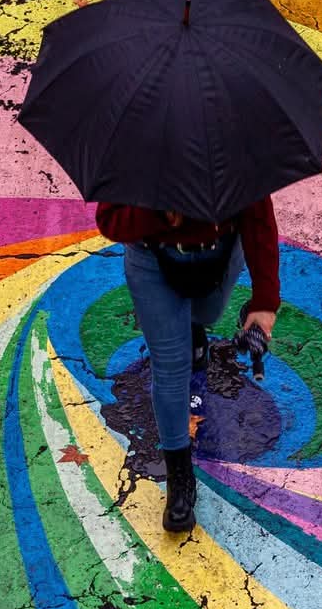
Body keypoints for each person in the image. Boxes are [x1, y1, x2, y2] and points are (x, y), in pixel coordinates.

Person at [96, 198, 280, 532]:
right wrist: (160, 212)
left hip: (220, 252)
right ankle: (179, 475)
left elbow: (258, 214)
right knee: (171, 366)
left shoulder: (235, 146)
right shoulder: (133, 148)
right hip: (153, 257)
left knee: (207, 314)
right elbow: (110, 221)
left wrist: (265, 300)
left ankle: (193, 327)